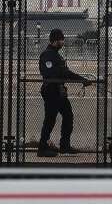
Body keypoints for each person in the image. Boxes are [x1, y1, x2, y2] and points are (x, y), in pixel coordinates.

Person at [37, 29, 92, 157]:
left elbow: (65, 72)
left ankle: (64, 146)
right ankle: (42, 147)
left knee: (68, 116)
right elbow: (49, 73)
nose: (63, 41)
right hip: (51, 91)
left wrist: (82, 79)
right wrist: (65, 74)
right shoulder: (48, 55)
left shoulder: (57, 55)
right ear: (55, 40)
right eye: (61, 39)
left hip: (59, 91)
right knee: (50, 119)